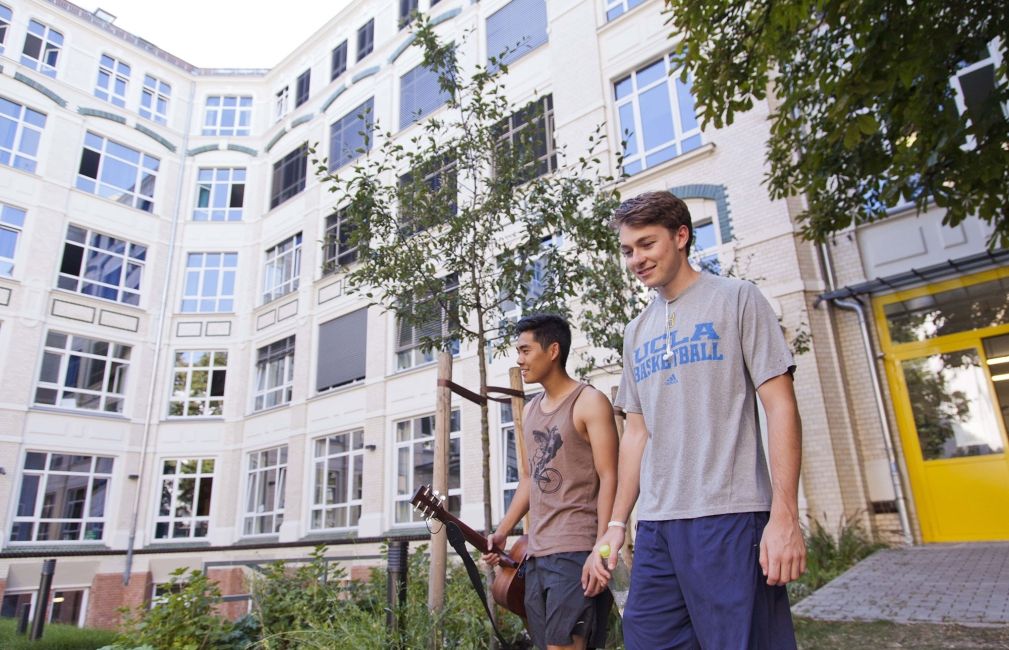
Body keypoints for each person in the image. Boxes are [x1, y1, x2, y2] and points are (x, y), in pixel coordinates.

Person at [593, 191, 806, 649]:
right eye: (628, 250)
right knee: (647, 639)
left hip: (729, 516)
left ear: (682, 236)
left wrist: (784, 515)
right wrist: (615, 525)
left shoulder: (737, 299)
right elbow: (636, 434)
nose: (636, 260)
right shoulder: (636, 332)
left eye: (646, 244)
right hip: (656, 525)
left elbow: (780, 406)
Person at [483, 313, 619, 650]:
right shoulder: (530, 411)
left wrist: (601, 548)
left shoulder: (589, 402)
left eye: (526, 350)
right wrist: (503, 530)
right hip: (537, 553)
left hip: (576, 550)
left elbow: (610, 475)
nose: (520, 359)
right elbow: (529, 477)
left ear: (553, 350)